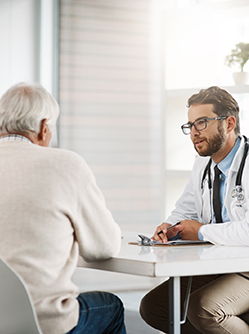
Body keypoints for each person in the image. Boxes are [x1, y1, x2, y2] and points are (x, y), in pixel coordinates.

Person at [0, 82, 127, 334]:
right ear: (44, 127)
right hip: (43, 322)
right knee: (111, 306)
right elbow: (104, 247)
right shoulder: (65, 164)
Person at [139, 86, 249, 334]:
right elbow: (184, 209)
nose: (193, 133)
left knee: (204, 308)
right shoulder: (202, 164)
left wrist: (200, 232)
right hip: (218, 263)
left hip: (246, 266)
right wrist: (171, 226)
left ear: (229, 123)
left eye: (202, 123)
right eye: (190, 125)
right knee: (155, 307)